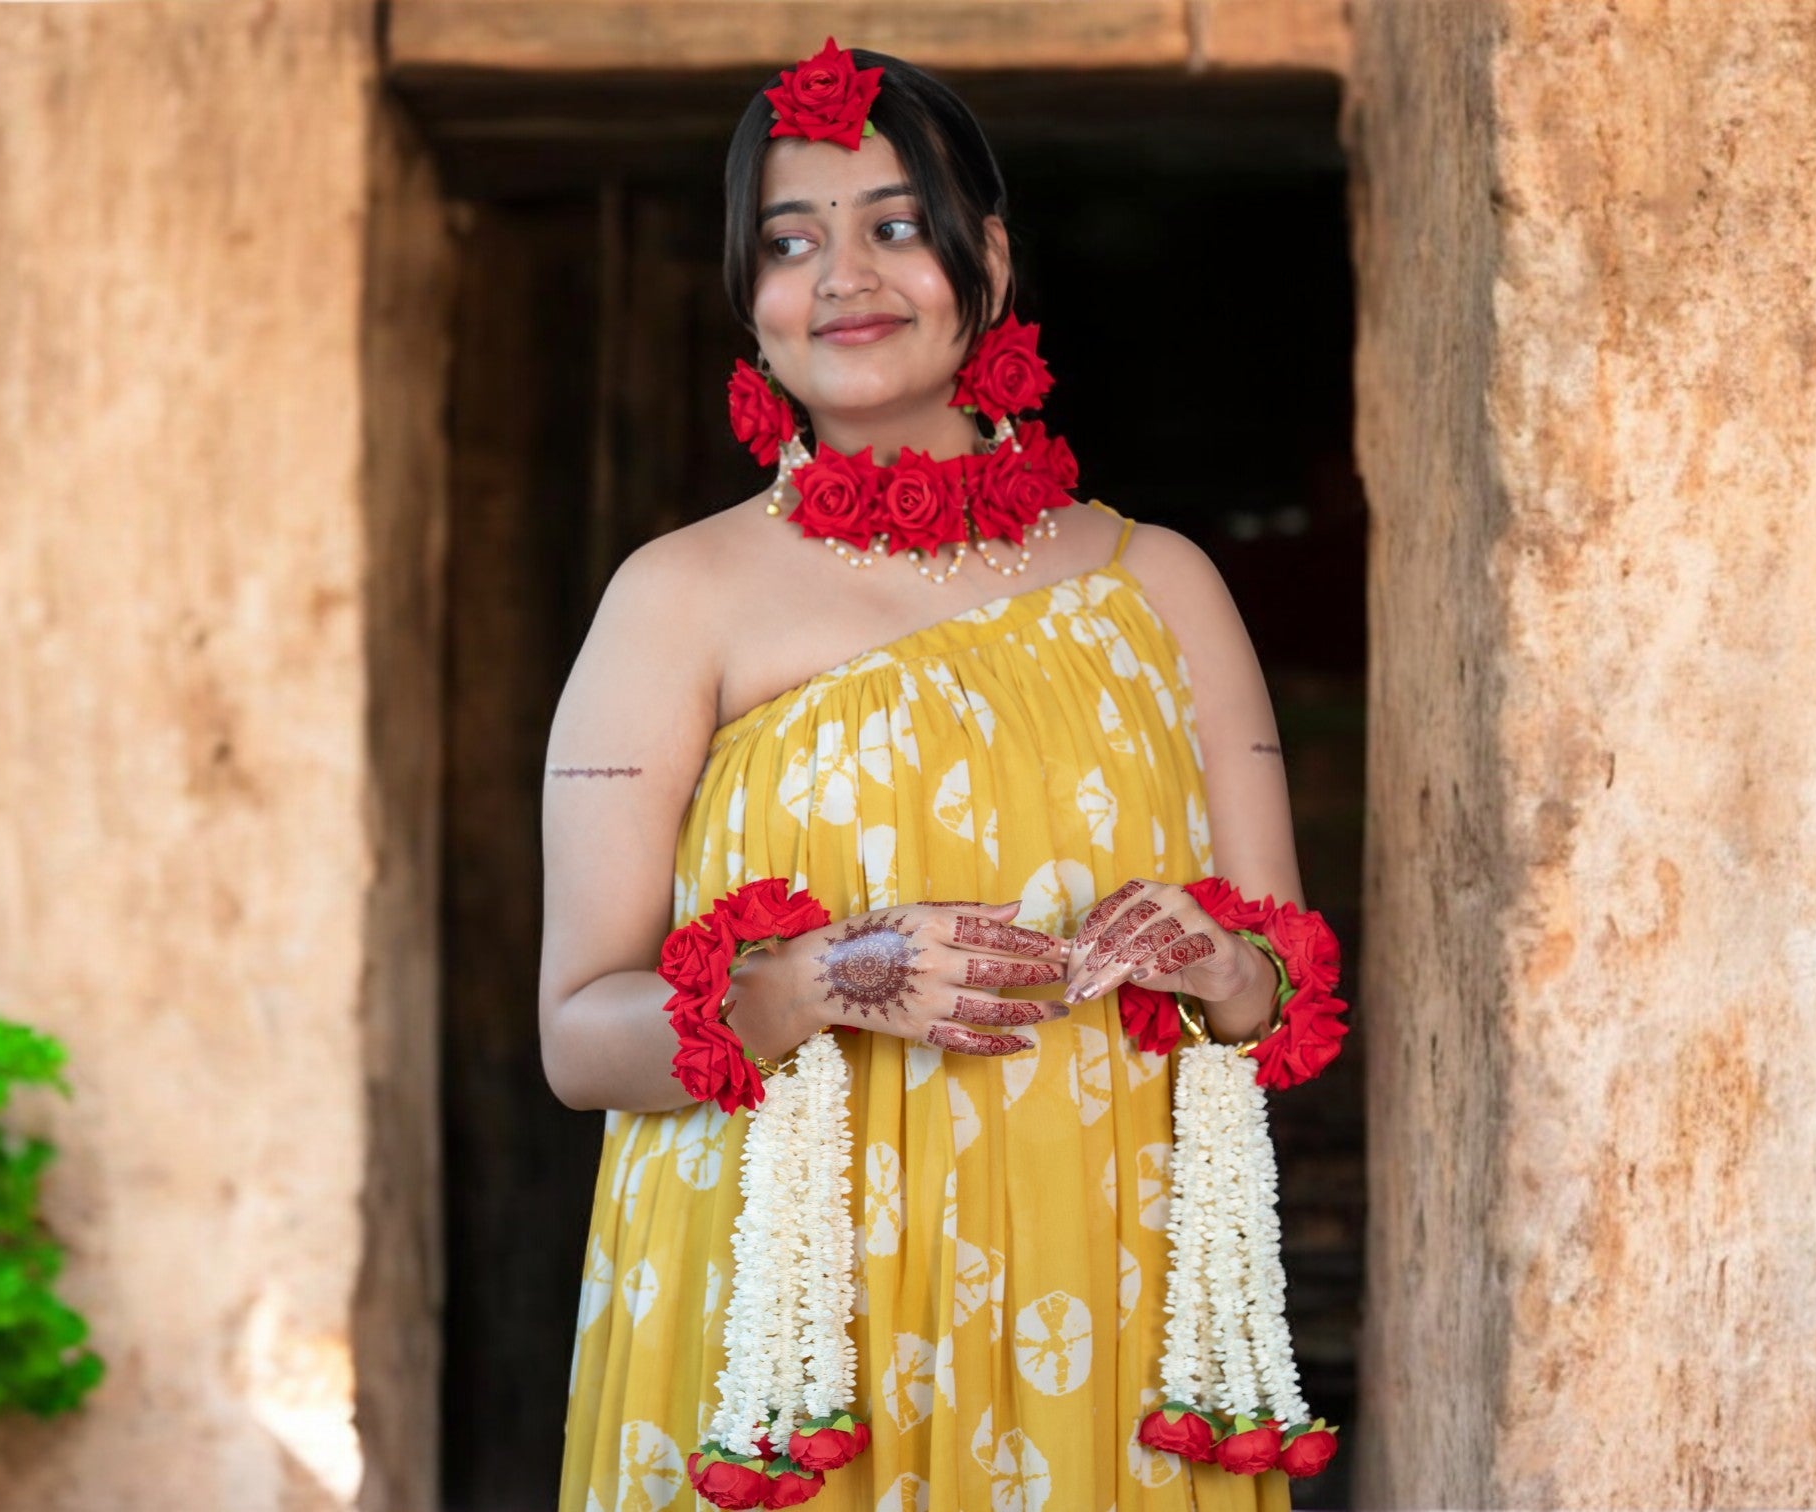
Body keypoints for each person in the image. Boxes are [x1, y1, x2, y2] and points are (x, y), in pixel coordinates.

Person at [542, 41, 1308, 1512]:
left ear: (990, 262)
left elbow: (1278, 991)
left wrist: (1217, 960)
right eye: (790, 241)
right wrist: (811, 979)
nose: (846, 277)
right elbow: (582, 1036)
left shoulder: (1164, 586)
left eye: (896, 226)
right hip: (790, 1324)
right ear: (749, 298)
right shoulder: (676, 598)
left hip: (1101, 1284)